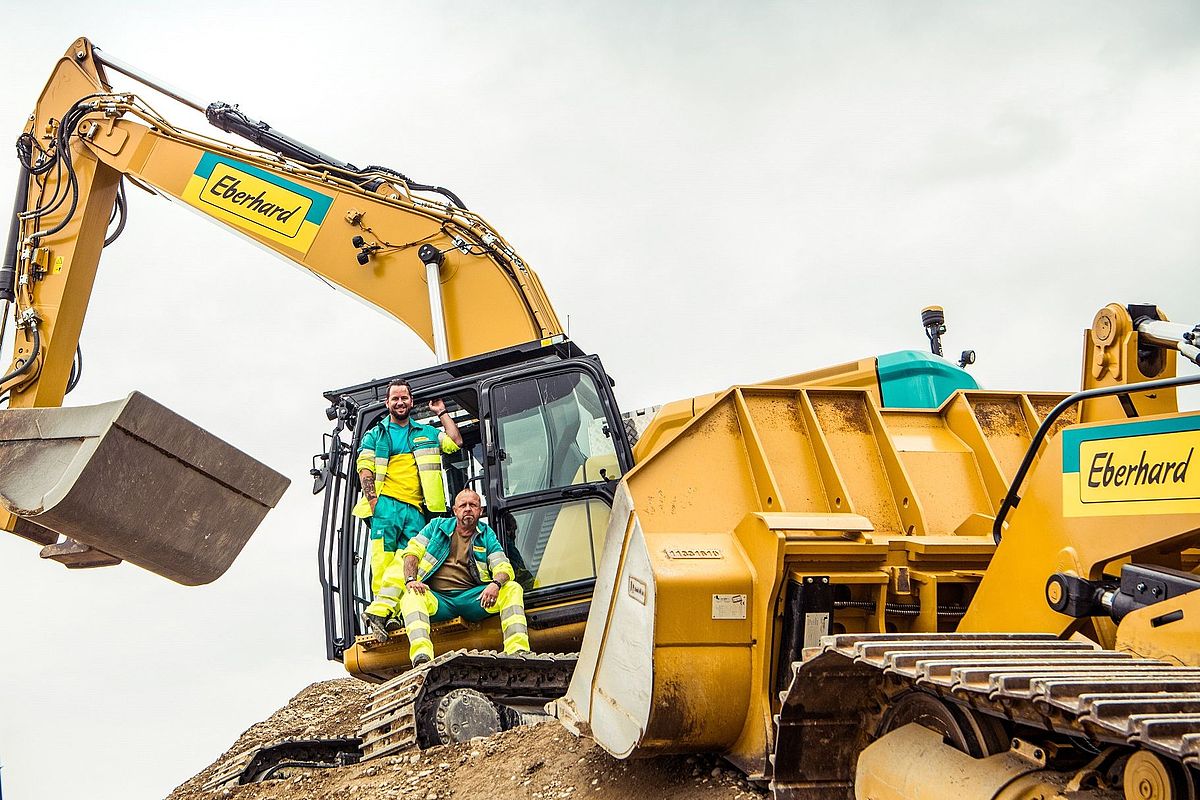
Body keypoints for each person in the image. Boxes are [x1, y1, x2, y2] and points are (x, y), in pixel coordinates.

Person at [362, 489, 530, 664]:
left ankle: (518, 652)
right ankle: (422, 657)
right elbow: (412, 552)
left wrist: (496, 583)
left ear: (480, 511)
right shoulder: (436, 527)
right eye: (463, 505)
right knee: (411, 595)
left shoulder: (486, 534)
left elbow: (502, 565)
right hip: (439, 600)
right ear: (455, 510)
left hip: (473, 598)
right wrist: (412, 580)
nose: (468, 509)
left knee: (512, 588)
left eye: (473, 505)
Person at [354, 379, 462, 596]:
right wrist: (375, 503)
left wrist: (441, 412)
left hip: (416, 511)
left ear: (411, 402)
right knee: (382, 560)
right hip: (386, 506)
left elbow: (456, 441)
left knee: (413, 561)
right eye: (395, 398)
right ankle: (382, 612)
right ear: (387, 403)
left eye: (404, 398)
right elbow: (364, 468)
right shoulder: (375, 435)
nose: (400, 402)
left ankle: (403, 607)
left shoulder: (428, 432)